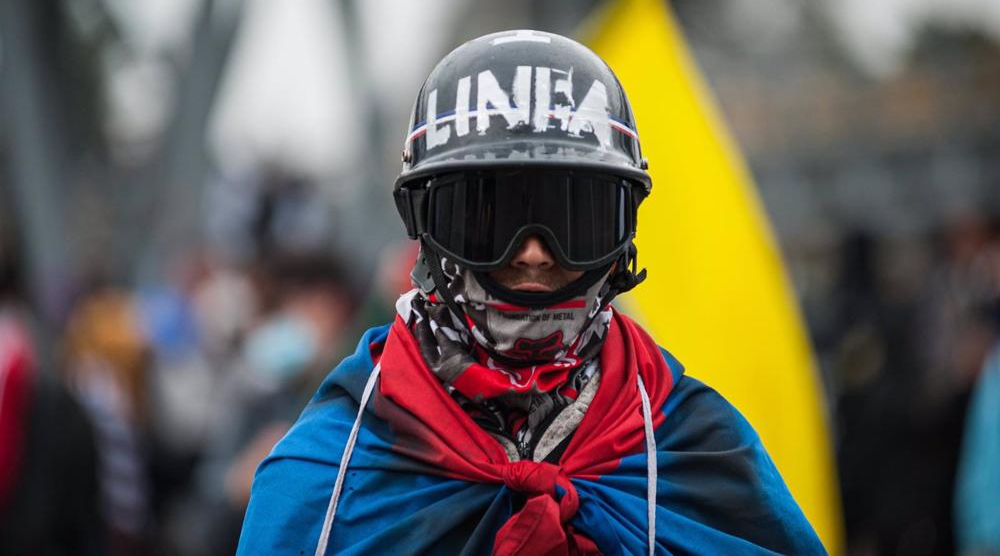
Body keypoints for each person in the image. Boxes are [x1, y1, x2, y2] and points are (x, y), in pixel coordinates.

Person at [237, 30, 825, 554]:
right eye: (489, 217)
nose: (534, 253)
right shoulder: (330, 472)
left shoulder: (697, 448)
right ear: (426, 229)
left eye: (574, 218)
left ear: (623, 238)